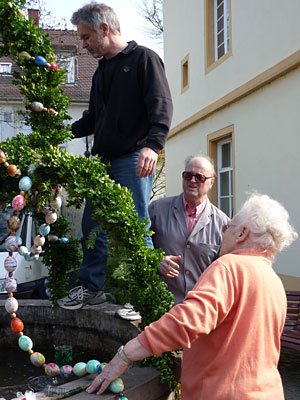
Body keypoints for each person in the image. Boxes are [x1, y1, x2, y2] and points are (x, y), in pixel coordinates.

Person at [86, 193, 298, 400]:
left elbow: (186, 322)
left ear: (242, 233)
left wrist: (125, 355)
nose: (223, 234)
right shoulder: (274, 281)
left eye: (227, 227)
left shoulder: (228, 267)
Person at [58, 2, 173, 310]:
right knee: (92, 227)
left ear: (104, 30)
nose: (82, 45)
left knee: (136, 226)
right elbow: (93, 119)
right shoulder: (101, 72)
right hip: (102, 163)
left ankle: (147, 299)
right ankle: (92, 290)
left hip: (133, 158)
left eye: (85, 37)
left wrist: (153, 145)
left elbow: (161, 106)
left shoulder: (144, 60)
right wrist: (62, 130)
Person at [149, 155, 229, 304]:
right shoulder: (157, 210)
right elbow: (137, 246)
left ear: (211, 182)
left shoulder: (223, 224)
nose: (192, 181)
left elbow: (224, 274)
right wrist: (155, 260)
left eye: (199, 177)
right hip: (159, 306)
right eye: (188, 175)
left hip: (199, 310)